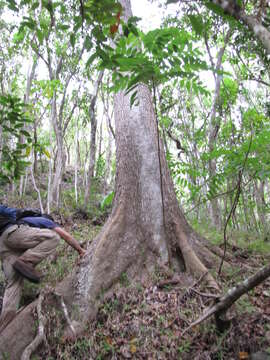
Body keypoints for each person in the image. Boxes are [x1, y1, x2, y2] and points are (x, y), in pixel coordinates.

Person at [0, 204, 86, 332]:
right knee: (53, 237)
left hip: (3, 245)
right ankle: (25, 261)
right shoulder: (45, 221)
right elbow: (65, 236)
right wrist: (81, 251)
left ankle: (4, 328)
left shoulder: (27, 220)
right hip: (13, 233)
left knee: (14, 282)